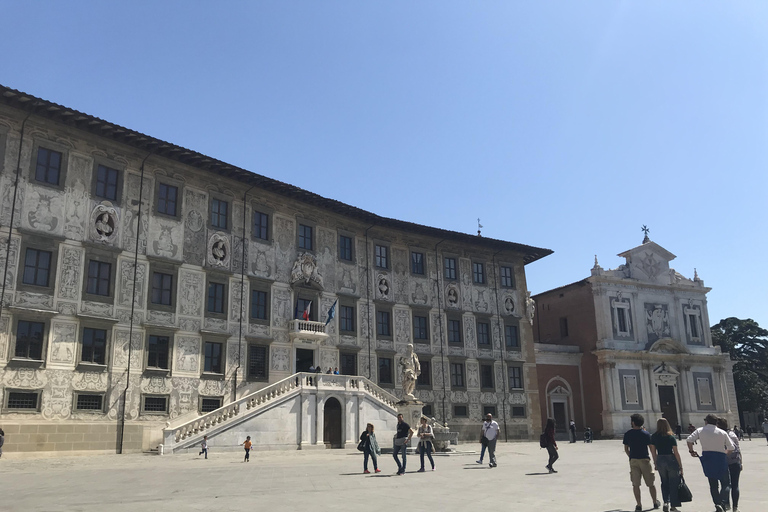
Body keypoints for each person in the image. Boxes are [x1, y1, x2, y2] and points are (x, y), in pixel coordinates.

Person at [687, 414, 735, 512]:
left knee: (713, 485)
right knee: (726, 484)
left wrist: (691, 451)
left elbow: (689, 440)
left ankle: (717, 503)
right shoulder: (722, 432)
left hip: (708, 458)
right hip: (720, 458)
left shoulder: (700, 430)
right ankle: (722, 502)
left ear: (706, 421)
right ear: (716, 422)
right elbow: (732, 447)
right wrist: (725, 453)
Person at [623, 413, 661, 512]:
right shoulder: (646, 434)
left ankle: (639, 505)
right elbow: (652, 448)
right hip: (644, 459)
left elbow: (626, 448)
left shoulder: (628, 434)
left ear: (633, 422)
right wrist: (655, 461)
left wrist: (631, 457)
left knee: (635, 484)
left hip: (633, 460)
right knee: (650, 483)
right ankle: (654, 502)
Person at [650, 418, 683, 512]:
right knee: (673, 483)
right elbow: (676, 452)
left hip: (660, 459)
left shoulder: (654, 436)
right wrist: (680, 466)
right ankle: (673, 506)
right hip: (671, 459)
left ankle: (666, 502)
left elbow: (653, 452)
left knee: (664, 482)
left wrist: (655, 462)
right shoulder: (671, 437)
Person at [717, 418, 742, 512]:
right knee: (735, 485)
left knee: (725, 485)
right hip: (735, 462)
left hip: (724, 463)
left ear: (718, 425)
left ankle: (726, 504)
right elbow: (738, 449)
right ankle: (735, 507)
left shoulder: (719, 435)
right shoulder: (733, 434)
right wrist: (741, 462)